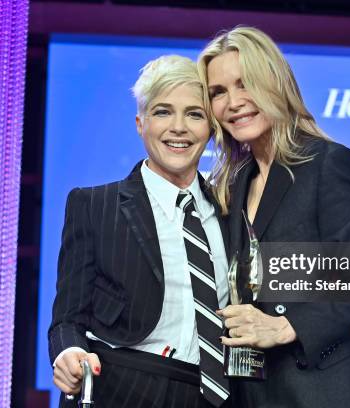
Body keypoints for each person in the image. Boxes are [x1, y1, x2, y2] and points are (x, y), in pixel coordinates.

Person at [197, 27, 350, 407]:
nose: (233, 102)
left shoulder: (327, 163)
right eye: (218, 92)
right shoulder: (232, 184)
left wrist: (284, 327)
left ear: (275, 83)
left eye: (245, 83)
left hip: (323, 392)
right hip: (253, 394)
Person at [49, 55, 232, 407]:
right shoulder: (93, 206)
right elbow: (67, 319)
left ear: (211, 127)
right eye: (163, 112)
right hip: (119, 387)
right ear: (140, 122)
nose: (178, 127)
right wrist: (69, 352)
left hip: (212, 396)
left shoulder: (232, 209)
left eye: (194, 114)